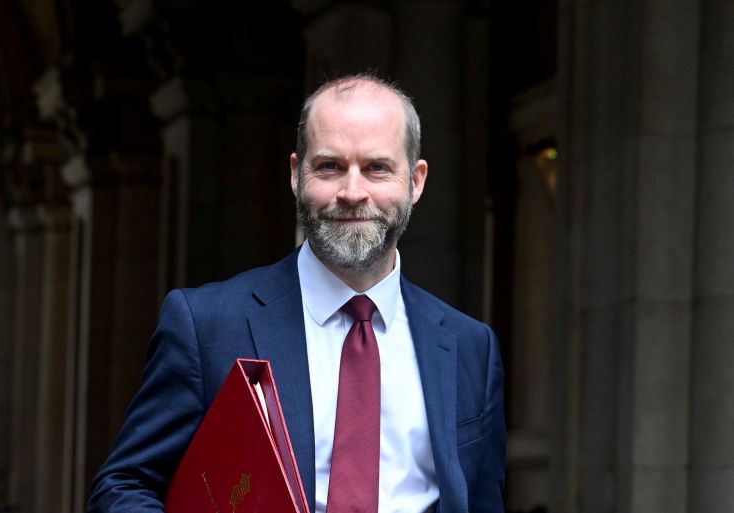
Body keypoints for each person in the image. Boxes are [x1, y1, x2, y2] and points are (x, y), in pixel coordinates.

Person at [87, 74, 506, 513]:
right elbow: (124, 486)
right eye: (329, 166)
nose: (352, 192)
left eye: (377, 168)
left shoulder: (471, 348)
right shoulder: (205, 324)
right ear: (295, 174)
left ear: (415, 181)